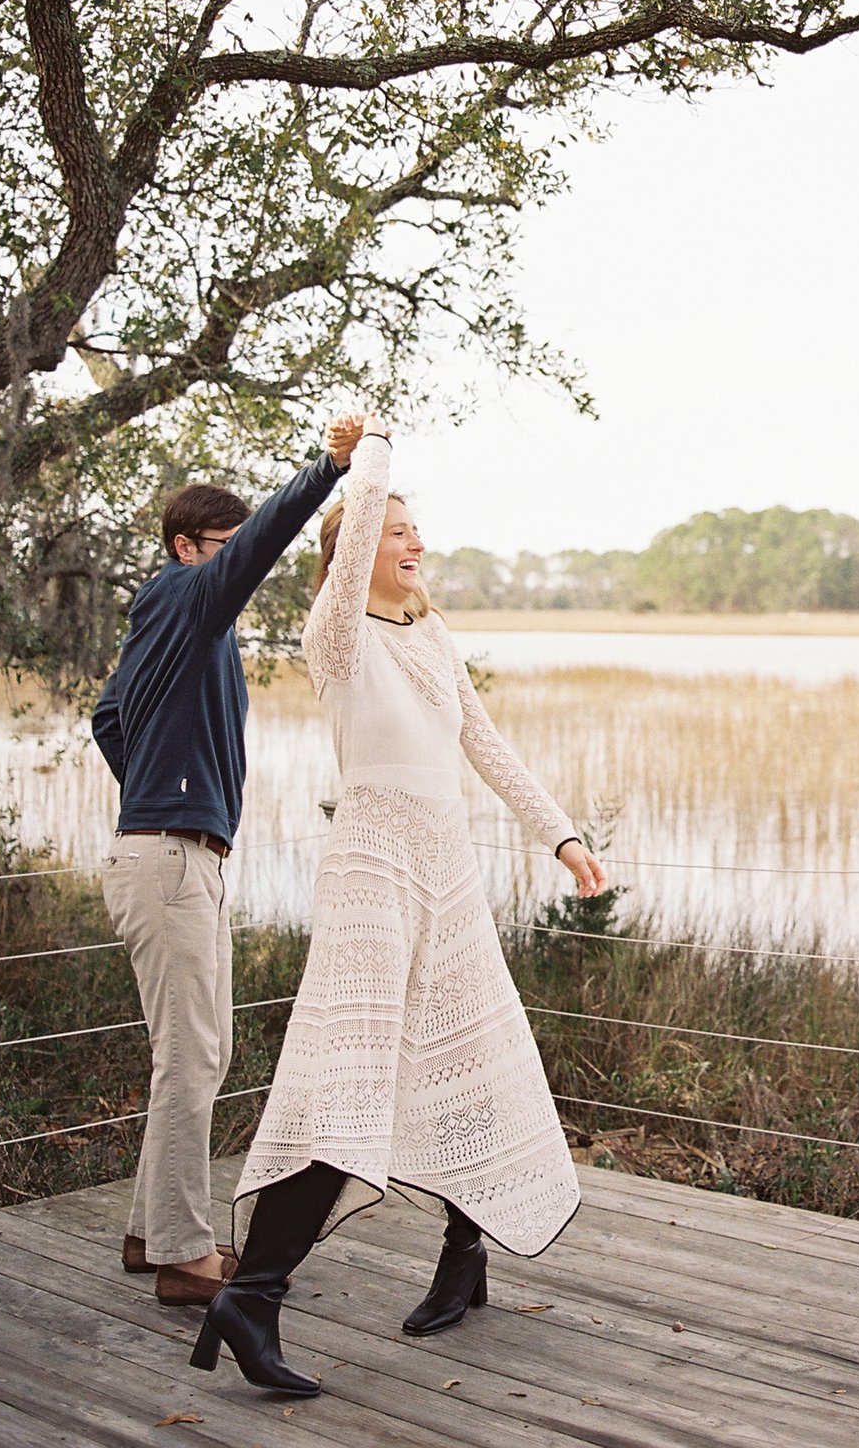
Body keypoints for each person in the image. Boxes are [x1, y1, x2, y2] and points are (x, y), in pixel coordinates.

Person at [190, 415, 606, 1396]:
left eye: (419, 532)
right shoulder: (333, 636)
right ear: (350, 553)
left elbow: (487, 744)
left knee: (471, 1057)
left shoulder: (435, 637)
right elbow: (357, 515)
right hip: (373, 868)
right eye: (395, 531)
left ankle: (465, 1257)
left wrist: (564, 835)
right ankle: (252, 1295)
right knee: (350, 1082)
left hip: (448, 866)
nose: (415, 544)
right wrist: (369, 450)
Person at [91, 414, 363, 1305]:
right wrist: (326, 468)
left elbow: (105, 716)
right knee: (193, 1057)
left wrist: (157, 784)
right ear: (186, 546)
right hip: (168, 859)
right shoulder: (181, 595)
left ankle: (148, 1234)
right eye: (227, 545)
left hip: (172, 852)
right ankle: (182, 1255)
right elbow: (257, 550)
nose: (240, 561)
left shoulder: (173, 626)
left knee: (196, 1053)